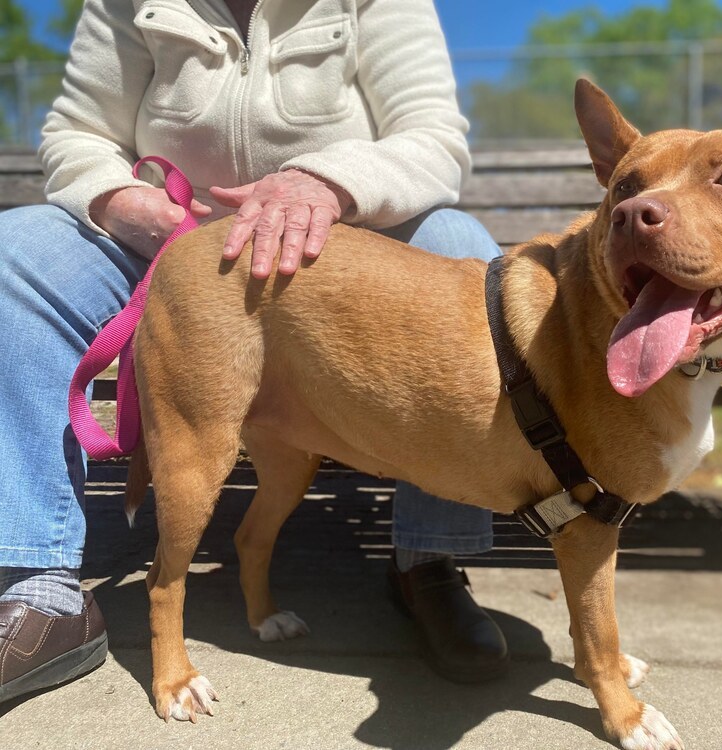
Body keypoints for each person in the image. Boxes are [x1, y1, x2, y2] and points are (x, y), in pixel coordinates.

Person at [0, 0, 509, 705]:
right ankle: (37, 584)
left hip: (341, 246)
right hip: (164, 246)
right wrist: (118, 199)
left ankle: (429, 560)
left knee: (462, 249)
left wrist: (327, 184)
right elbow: (78, 133)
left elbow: (433, 138)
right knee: (16, 255)